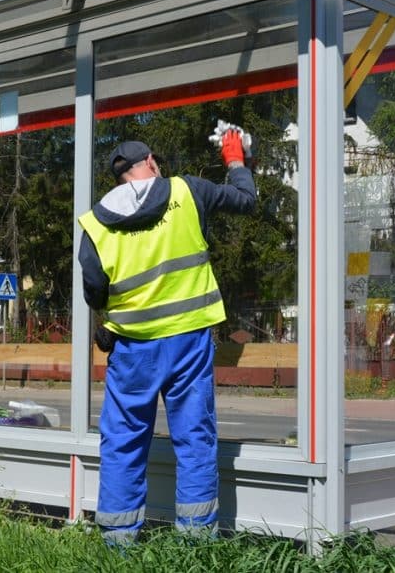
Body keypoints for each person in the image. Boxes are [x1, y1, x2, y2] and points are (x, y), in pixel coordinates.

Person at [78, 130, 256, 545]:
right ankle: (195, 542)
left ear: (119, 177)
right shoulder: (187, 191)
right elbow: (245, 200)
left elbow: (94, 290)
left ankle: (118, 542)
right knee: (194, 438)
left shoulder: (96, 222)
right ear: (152, 163)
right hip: (188, 342)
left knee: (123, 441)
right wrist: (235, 160)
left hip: (131, 349)